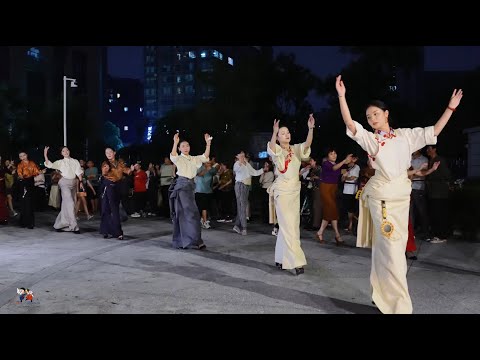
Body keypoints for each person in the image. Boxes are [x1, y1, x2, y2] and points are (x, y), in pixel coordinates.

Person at [336, 74, 463, 314]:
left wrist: (450, 108)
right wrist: (342, 97)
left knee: (390, 250)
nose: (372, 118)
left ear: (386, 114)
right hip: (382, 199)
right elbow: (352, 125)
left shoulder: (405, 135)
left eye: (375, 113)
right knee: (393, 252)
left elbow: (434, 130)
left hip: (402, 199)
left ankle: (381, 294)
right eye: (368, 116)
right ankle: (399, 307)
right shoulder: (372, 140)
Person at [267, 114, 315, 275]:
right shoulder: (277, 150)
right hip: (282, 191)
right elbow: (272, 148)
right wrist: (274, 132)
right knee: (288, 227)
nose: (286, 134)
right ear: (278, 137)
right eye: (282, 133)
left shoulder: (295, 149)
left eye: (287, 132)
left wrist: (310, 128)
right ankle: (296, 262)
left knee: (291, 226)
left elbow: (307, 144)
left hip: (295, 191)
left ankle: (280, 258)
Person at [169, 132, 211, 250]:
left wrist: (208, 144)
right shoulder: (179, 158)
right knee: (191, 214)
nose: (185, 148)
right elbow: (173, 155)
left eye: (187, 145)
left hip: (191, 187)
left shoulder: (194, 159)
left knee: (187, 214)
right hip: (182, 187)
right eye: (182, 146)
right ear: (179, 148)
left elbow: (205, 157)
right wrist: (175, 142)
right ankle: (195, 241)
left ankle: (188, 241)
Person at [44, 146, 84, 233]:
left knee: (68, 205)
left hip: (73, 183)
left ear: (69, 151)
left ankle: (59, 225)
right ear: (61, 153)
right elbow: (50, 164)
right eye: (63, 151)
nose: (65, 152)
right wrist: (45, 154)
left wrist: (81, 182)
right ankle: (74, 226)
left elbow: (78, 172)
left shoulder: (75, 161)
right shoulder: (60, 162)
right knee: (70, 203)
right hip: (64, 182)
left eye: (67, 150)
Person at [100, 147, 133, 240]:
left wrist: (131, 169)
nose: (108, 154)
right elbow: (104, 172)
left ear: (114, 152)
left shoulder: (120, 163)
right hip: (108, 186)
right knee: (107, 209)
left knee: (114, 209)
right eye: (106, 152)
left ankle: (114, 231)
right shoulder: (105, 163)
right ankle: (112, 232)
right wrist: (105, 170)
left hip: (118, 186)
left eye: (110, 152)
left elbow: (127, 171)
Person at [16, 151, 40, 229]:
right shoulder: (20, 165)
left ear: (26, 155)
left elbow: (36, 172)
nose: (22, 157)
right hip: (23, 183)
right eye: (20, 156)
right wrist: (23, 176)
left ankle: (31, 223)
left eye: (23, 155)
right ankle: (23, 222)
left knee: (30, 202)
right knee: (24, 202)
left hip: (30, 183)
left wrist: (39, 172)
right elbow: (19, 174)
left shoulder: (32, 163)